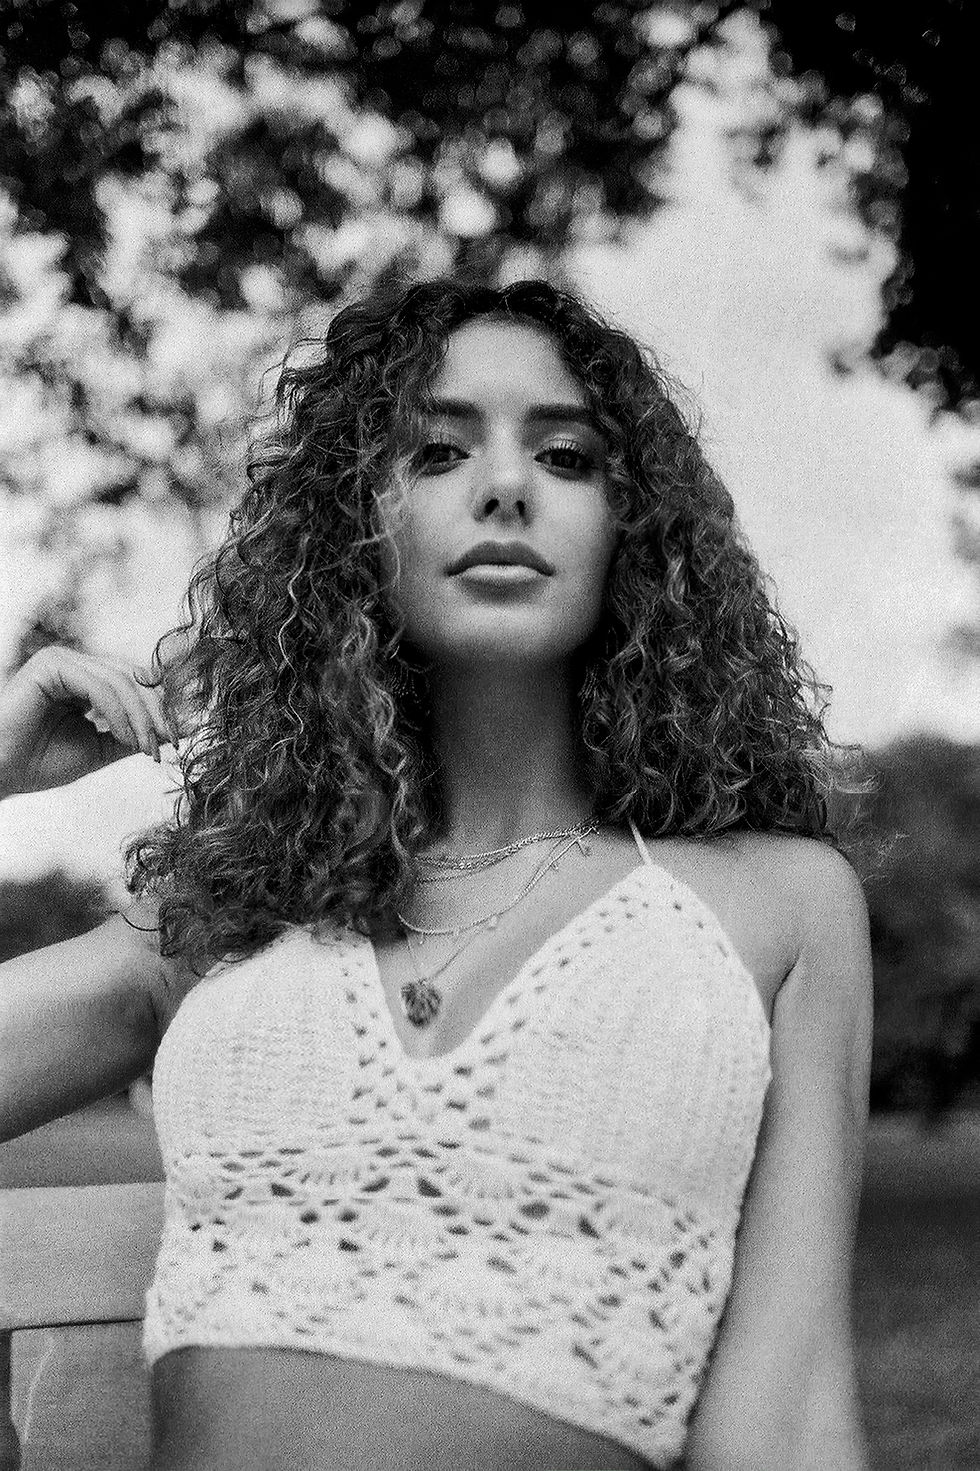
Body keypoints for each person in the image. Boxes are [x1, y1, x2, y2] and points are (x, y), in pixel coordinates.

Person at [0, 277, 874, 1471]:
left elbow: (786, 1420)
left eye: (564, 456)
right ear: (351, 529)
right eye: (436, 450)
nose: (505, 486)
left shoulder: (776, 907)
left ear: (632, 527)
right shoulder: (231, 915)